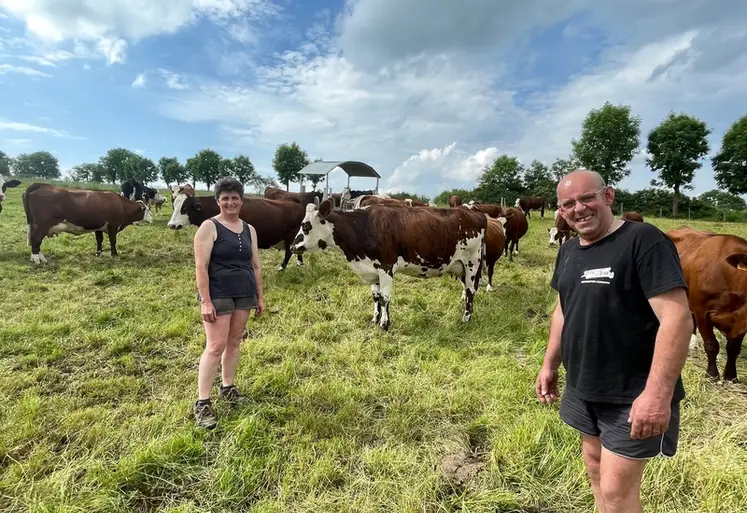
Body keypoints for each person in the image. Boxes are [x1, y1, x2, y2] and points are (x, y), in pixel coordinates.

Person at [536, 169, 693, 513]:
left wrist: (656, 395)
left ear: (608, 196)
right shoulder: (569, 251)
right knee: (594, 468)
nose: (578, 209)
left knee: (618, 493)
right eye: (568, 204)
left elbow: (678, 319)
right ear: (561, 212)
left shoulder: (644, 240)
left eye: (586, 198)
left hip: (631, 393)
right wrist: (550, 364)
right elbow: (562, 310)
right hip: (582, 386)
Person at [192, 176, 265, 429]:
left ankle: (228, 388)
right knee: (215, 346)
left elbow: (255, 265)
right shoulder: (209, 227)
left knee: (234, 342)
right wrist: (206, 301)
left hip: (244, 292)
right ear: (218, 201)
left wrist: (259, 296)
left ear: (241, 201)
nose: (230, 203)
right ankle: (202, 403)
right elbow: (200, 267)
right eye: (225, 198)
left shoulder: (250, 229)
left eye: (235, 198)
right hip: (219, 292)